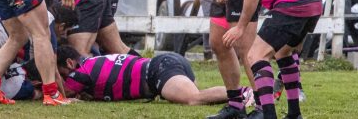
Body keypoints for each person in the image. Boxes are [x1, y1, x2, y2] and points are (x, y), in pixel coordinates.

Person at [57, 45, 230, 105]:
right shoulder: (92, 62)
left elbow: (63, 94)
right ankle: (239, 96)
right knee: (202, 97)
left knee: (193, 99)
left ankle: (244, 93)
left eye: (62, 73)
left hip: (158, 71)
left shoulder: (80, 73)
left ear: (70, 63)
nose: (64, 78)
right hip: (165, 62)